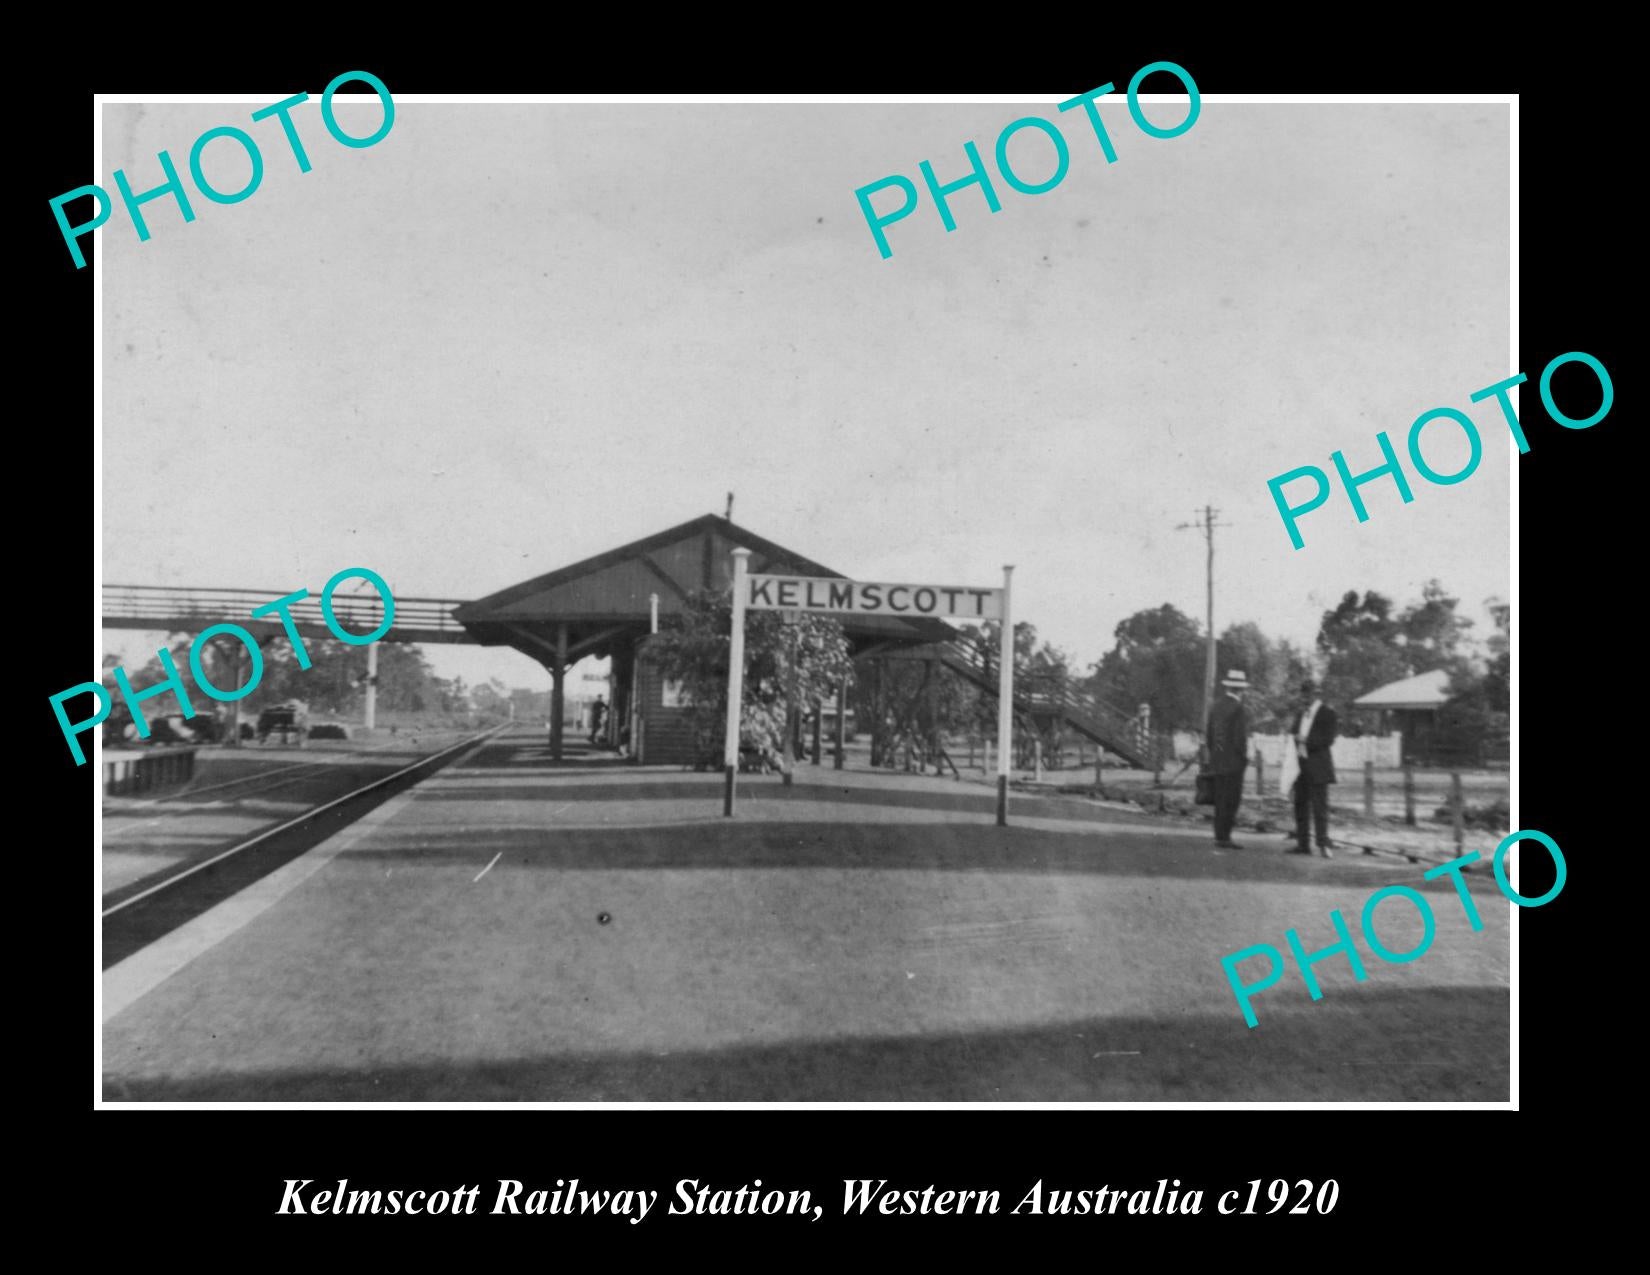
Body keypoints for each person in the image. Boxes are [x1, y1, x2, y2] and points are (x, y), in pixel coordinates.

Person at [1289, 679, 1338, 857]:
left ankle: (1323, 843)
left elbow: (1328, 739)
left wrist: (1305, 741)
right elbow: (1293, 732)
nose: (1304, 697)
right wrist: (1295, 738)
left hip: (1318, 766)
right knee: (1300, 804)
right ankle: (1303, 844)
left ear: (1316, 694)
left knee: (1320, 806)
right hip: (1300, 766)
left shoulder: (1328, 713)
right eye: (1302, 694)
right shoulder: (1301, 713)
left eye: (1307, 694)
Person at [1205, 670, 1251, 849]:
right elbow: (1240, 738)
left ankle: (1219, 835)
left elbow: (1210, 736)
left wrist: (1216, 754)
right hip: (1233, 763)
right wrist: (1243, 758)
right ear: (1240, 689)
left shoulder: (1216, 706)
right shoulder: (1238, 709)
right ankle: (1225, 837)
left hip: (1218, 760)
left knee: (1220, 800)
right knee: (1232, 800)